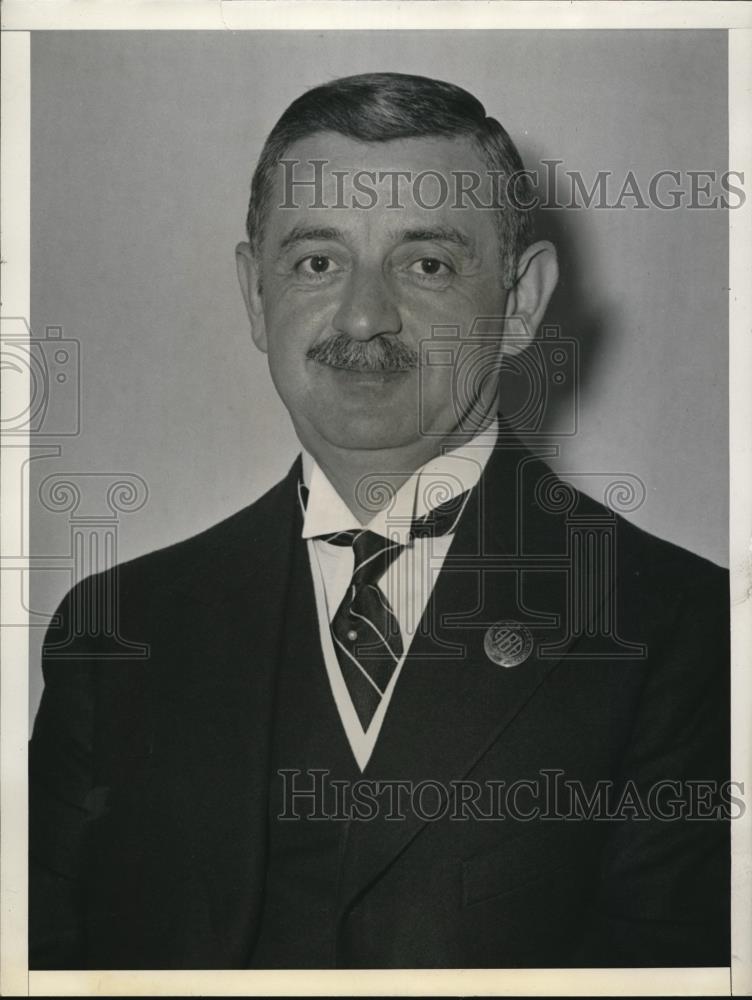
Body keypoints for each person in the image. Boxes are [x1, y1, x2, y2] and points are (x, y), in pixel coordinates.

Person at [29, 72, 730, 970]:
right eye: (317, 262)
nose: (364, 317)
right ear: (256, 295)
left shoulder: (682, 630)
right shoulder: (117, 631)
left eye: (426, 264)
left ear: (518, 304)